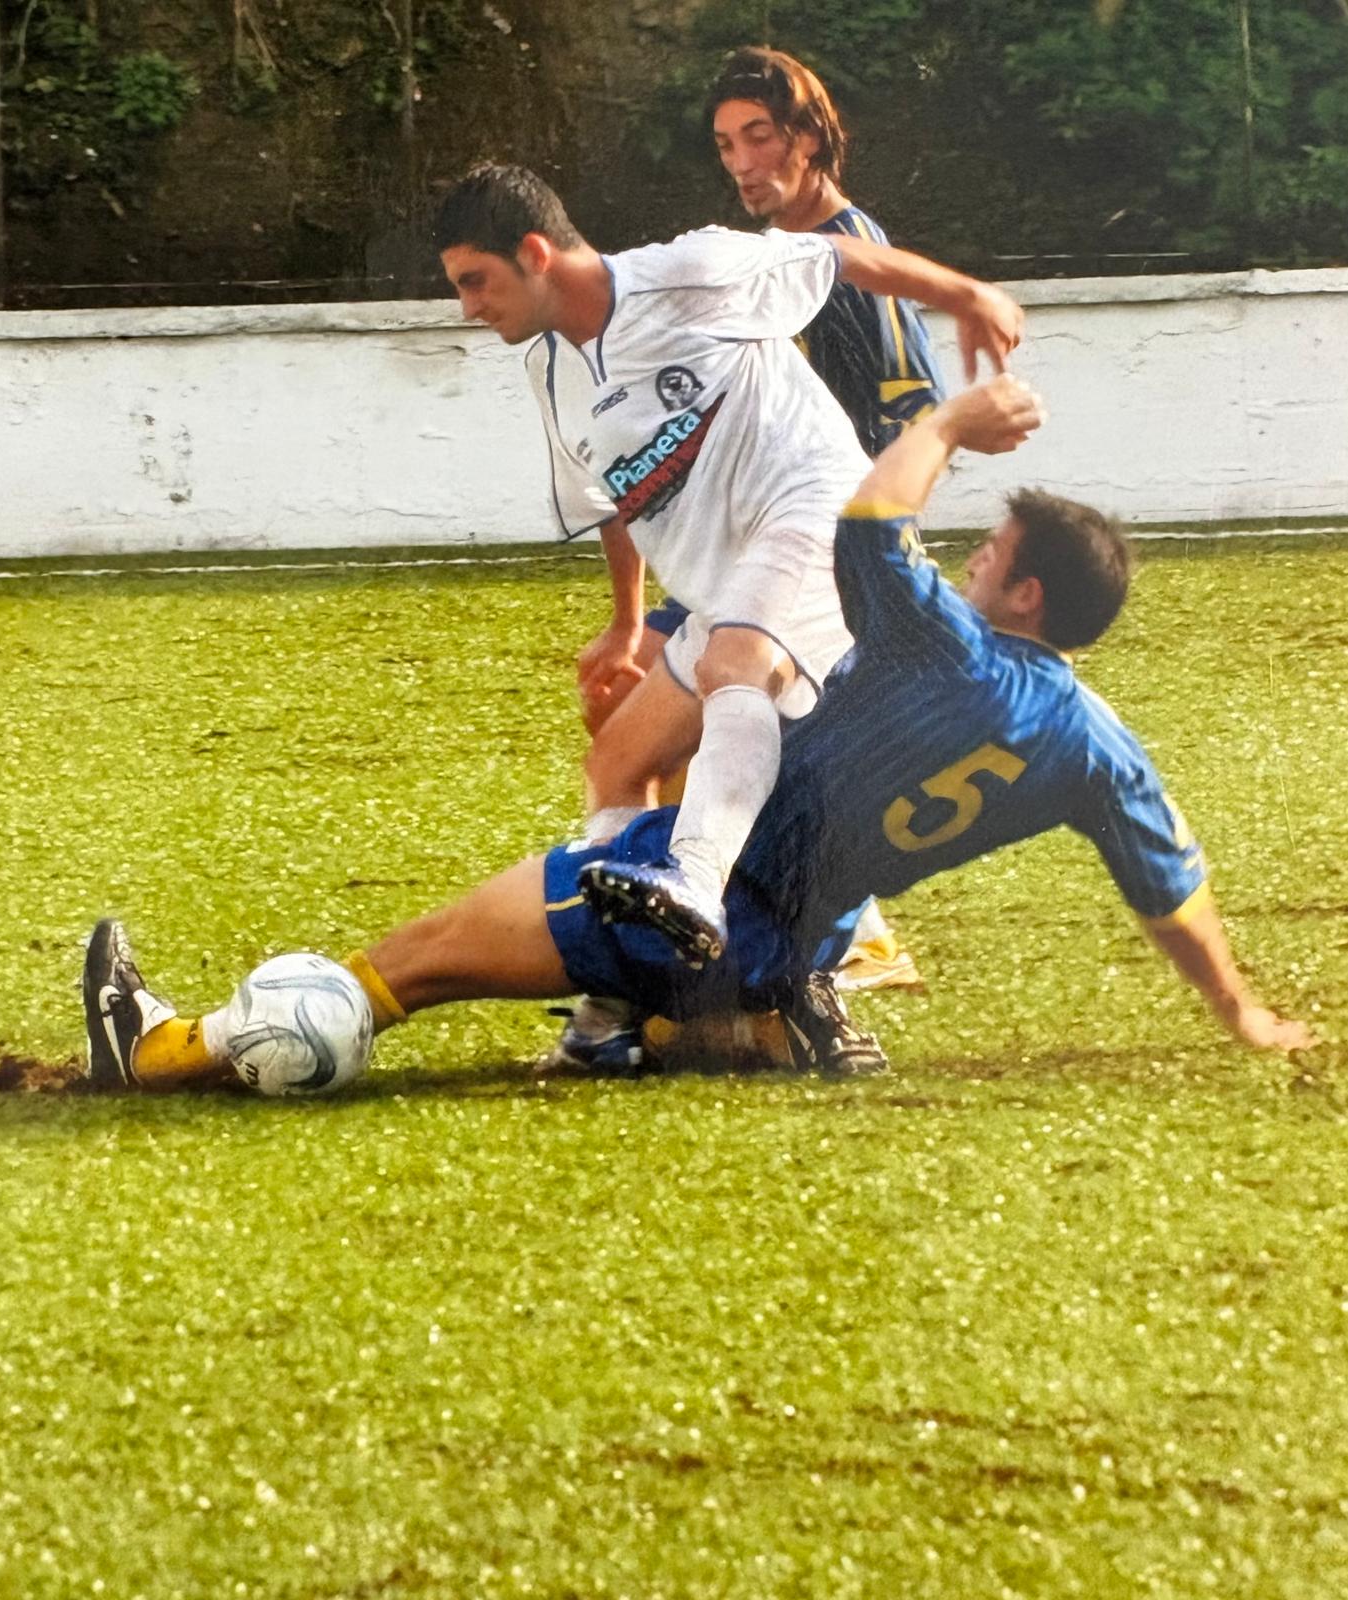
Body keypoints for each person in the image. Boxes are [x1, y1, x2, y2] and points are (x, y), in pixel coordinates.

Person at [83, 377, 1315, 1095]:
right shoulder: (1098, 746)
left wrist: (946, 424)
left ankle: (162, 1050)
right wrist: (1240, 1013)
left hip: (696, 904)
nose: (968, 563)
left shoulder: (947, 644)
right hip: (800, 944)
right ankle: (703, 1025)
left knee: (414, 961)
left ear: (1027, 594)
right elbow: (1172, 892)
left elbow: (867, 526)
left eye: (988, 556)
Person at [433, 162, 1022, 1082]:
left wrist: (968, 295)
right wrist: (624, 624)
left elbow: (835, 257)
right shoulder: (550, 369)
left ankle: (696, 883)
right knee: (618, 761)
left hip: (819, 521)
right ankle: (616, 1008)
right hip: (727, 587)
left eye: (475, 281)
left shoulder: (689, 271)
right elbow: (613, 495)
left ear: (535, 252)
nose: (468, 308)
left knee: (735, 665)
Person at [581, 45, 949, 999]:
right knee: (626, 715)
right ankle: (673, 925)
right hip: (739, 544)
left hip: (819, 549)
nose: (743, 162)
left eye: (760, 137)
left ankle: (822, 935)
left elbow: (915, 415)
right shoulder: (750, 263)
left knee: (739, 723)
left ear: (810, 138)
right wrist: (628, 611)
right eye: (725, 144)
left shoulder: (847, 255)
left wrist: (869, 557)